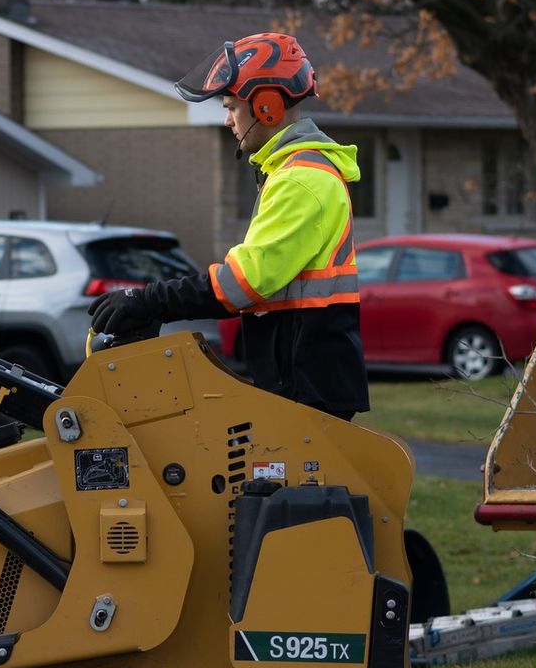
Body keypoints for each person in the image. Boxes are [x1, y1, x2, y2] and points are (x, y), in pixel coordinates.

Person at [89, 32, 369, 420]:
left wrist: (149, 300)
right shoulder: (293, 173)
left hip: (308, 389)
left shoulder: (300, 180)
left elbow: (243, 283)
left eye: (231, 107)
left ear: (267, 107)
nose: (227, 120)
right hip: (304, 380)